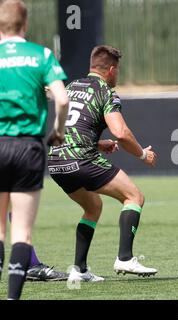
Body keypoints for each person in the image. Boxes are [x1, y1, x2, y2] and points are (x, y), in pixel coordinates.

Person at [47, 45, 158, 282]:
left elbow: (67, 129)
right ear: (110, 69)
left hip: (56, 162)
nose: (117, 75)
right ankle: (125, 258)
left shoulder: (71, 87)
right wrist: (142, 155)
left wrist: (99, 144)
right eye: (117, 70)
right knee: (134, 197)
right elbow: (121, 132)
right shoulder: (106, 92)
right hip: (81, 160)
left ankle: (79, 269)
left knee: (93, 207)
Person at [0, 0, 69, 299]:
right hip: (28, 147)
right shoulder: (41, 55)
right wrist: (58, 131)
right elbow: (63, 100)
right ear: (25, 24)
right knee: (22, 234)